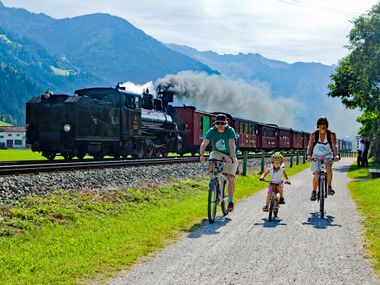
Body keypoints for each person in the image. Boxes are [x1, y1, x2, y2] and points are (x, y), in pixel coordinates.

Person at [199, 114, 238, 212]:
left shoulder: (230, 130)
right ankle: (215, 185)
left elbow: (232, 144)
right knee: (212, 163)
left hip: (230, 154)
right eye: (218, 123)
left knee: (231, 178)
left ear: (226, 123)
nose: (220, 125)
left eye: (222, 123)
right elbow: (204, 143)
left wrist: (231, 158)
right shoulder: (212, 131)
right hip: (217, 152)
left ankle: (230, 201)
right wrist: (202, 155)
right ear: (215, 124)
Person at [307, 116, 340, 201]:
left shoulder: (331, 134)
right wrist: (308, 155)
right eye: (321, 124)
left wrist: (336, 155)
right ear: (318, 125)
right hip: (316, 155)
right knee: (316, 174)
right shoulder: (314, 134)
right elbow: (310, 146)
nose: (322, 126)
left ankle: (329, 187)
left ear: (327, 125)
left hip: (327, 155)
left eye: (324, 124)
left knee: (328, 166)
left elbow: (334, 145)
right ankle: (314, 192)